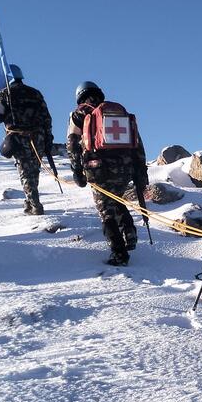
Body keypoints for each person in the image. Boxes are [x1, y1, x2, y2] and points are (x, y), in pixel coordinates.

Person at [66, 81, 148, 266]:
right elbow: (137, 144)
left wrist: (77, 171)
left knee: (106, 211)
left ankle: (119, 254)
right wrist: (140, 172)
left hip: (98, 169)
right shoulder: (120, 113)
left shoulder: (79, 114)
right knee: (117, 199)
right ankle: (130, 235)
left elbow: (72, 144)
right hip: (125, 168)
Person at [0, 64, 53, 216]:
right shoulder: (35, 93)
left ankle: (35, 206)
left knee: (25, 173)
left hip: (19, 138)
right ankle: (30, 201)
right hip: (38, 137)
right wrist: (48, 139)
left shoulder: (4, 94)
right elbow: (47, 118)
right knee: (34, 172)